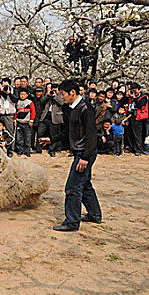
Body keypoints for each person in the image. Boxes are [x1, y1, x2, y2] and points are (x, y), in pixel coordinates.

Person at [39, 79, 102, 232]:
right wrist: (51, 139)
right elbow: (67, 131)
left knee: (72, 187)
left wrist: (85, 157)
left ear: (73, 93)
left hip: (84, 153)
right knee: (84, 184)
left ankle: (72, 222)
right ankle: (95, 215)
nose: (62, 97)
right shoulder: (71, 108)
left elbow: (91, 134)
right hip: (79, 152)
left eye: (63, 94)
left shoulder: (85, 108)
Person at [14, 88, 35, 157]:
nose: (22, 96)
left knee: (27, 138)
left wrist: (31, 120)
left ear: (27, 95)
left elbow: (33, 112)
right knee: (19, 138)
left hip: (27, 123)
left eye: (24, 94)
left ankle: (27, 151)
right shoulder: (17, 102)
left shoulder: (30, 102)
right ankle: (20, 151)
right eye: (21, 94)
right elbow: (15, 112)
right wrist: (15, 120)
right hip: (19, 122)